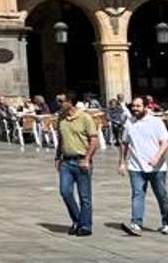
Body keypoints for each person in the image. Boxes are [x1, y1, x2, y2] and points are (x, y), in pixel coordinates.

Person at [119, 96, 168, 235]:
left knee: (161, 195)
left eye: (138, 106)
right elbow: (124, 143)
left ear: (146, 107)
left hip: (157, 167)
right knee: (137, 194)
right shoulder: (129, 123)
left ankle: (167, 223)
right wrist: (122, 162)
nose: (134, 109)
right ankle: (136, 222)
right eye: (133, 106)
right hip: (136, 166)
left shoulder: (156, 122)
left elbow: (166, 141)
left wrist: (157, 157)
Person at [55, 98, 100, 236]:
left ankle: (85, 226)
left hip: (82, 161)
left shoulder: (85, 117)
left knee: (84, 196)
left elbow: (94, 140)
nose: (59, 104)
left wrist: (87, 159)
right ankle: (77, 220)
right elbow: (61, 139)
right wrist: (57, 157)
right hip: (66, 162)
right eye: (57, 101)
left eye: (61, 101)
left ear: (70, 101)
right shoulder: (61, 119)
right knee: (65, 191)